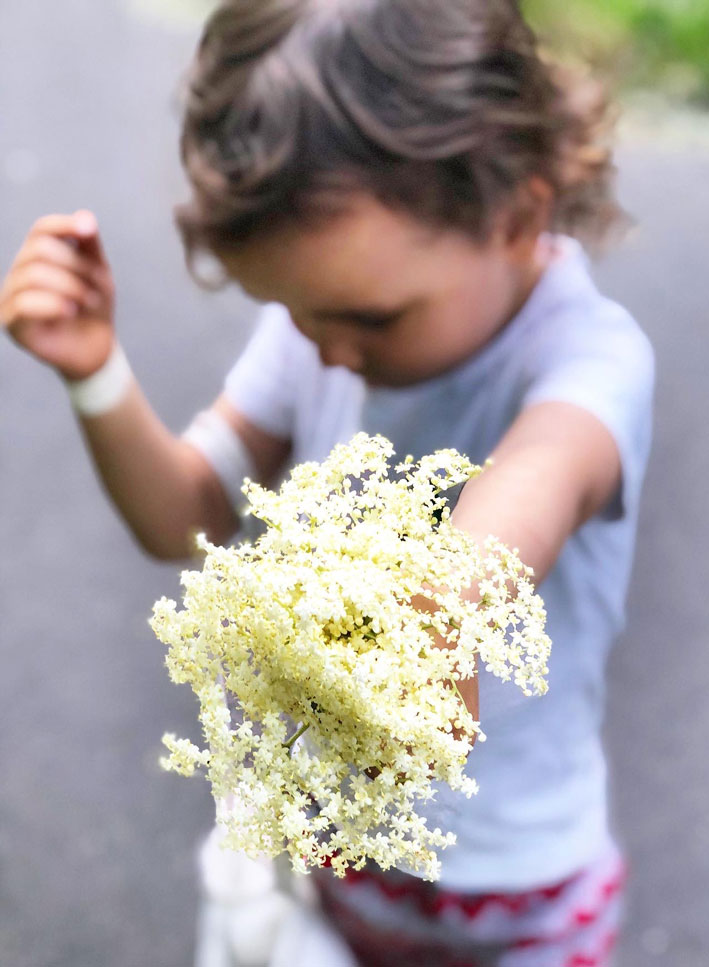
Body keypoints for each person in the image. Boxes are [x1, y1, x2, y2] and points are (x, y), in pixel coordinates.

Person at [0, 0, 654, 964]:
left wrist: (444, 605)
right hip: (337, 851)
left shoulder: (588, 365)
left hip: (518, 886)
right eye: (293, 310)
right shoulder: (322, 325)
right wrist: (95, 373)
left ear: (517, 214)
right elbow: (187, 512)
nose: (333, 352)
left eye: (371, 319)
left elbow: (539, 480)